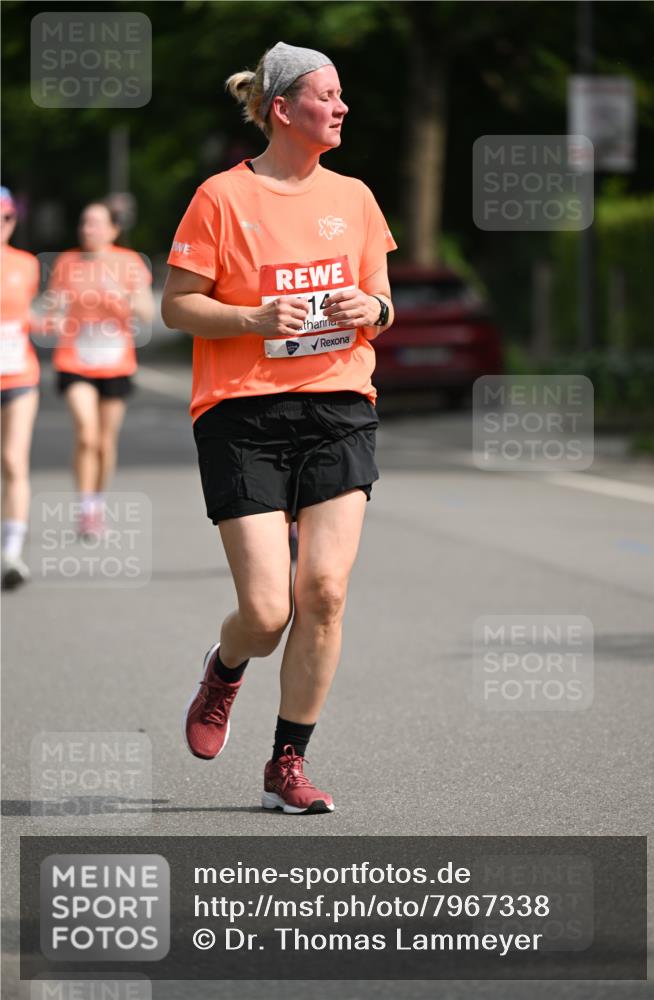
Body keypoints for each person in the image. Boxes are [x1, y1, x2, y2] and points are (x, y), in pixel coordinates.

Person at [162, 41, 397, 814]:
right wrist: (251, 316)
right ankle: (225, 668)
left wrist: (376, 310)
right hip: (242, 411)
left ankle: (285, 765)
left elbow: (380, 298)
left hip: (338, 405)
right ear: (282, 109)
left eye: (342, 96)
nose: (341, 108)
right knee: (268, 611)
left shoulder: (356, 198)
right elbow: (177, 306)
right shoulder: (220, 198)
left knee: (323, 592)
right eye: (327, 96)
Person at [47, 202, 153, 537]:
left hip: (115, 361)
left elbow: (147, 313)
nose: (87, 229)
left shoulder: (129, 262)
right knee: (86, 433)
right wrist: (56, 311)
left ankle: (97, 503)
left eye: (95, 223)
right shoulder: (67, 262)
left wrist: (120, 294)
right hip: (75, 359)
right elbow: (54, 306)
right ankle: (85, 508)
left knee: (105, 443)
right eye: (84, 222)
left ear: (112, 229)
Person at [0, 186, 41, 588]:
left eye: (7, 217)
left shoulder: (26, 264)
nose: (2, 224)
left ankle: (11, 553)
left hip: (19, 375)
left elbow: (26, 314)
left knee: (13, 460)